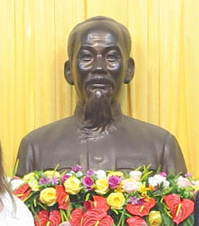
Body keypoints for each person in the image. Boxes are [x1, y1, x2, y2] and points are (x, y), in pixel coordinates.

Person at [15, 16, 187, 175]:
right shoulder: (36, 146)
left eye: (111, 57)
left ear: (129, 70)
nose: (99, 67)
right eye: (86, 57)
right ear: (69, 71)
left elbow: (180, 206)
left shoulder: (160, 145)